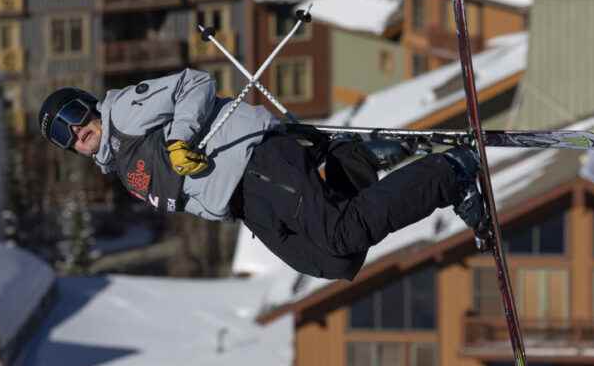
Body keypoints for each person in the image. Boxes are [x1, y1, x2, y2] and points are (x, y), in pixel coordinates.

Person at [38, 68, 484, 280]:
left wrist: (179, 138)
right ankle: (357, 159)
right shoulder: (120, 165)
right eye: (64, 134)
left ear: (89, 102)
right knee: (334, 261)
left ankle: (450, 172)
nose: (77, 130)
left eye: (75, 114)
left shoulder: (125, 111)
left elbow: (193, 83)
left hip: (255, 163)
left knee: (341, 235)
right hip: (247, 205)